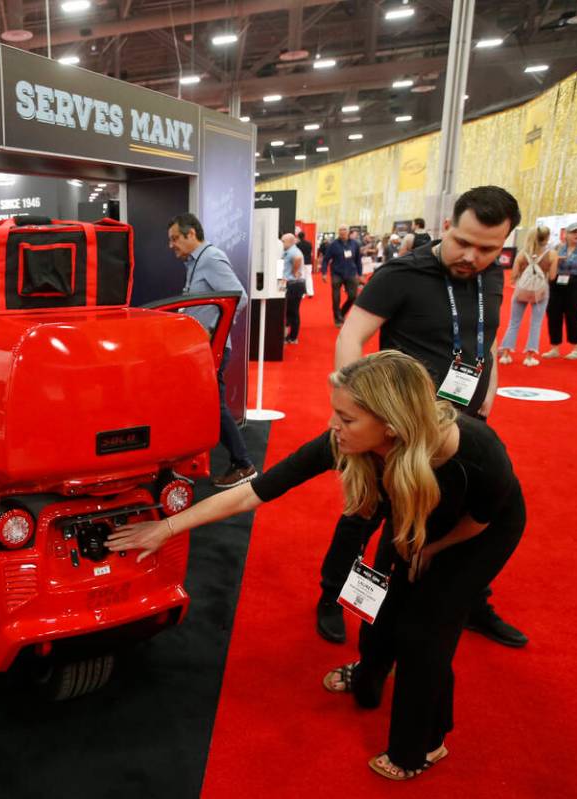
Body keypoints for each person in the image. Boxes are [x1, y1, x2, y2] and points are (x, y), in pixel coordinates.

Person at [107, 351, 526, 781]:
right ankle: (370, 673)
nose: (333, 426)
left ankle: (421, 745)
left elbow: (483, 519)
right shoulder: (353, 443)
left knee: (425, 633)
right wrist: (166, 528)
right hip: (415, 520)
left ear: (390, 424)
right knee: (381, 602)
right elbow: (255, 493)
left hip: (474, 534)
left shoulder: (476, 450)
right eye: (336, 413)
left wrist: (433, 549)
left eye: (346, 418)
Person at [317, 185, 527, 649]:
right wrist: (354, 405)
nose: (471, 256)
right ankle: (332, 595)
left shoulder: (489, 277)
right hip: (394, 430)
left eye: (487, 248)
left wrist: (488, 394)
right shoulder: (401, 274)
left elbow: (486, 342)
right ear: (447, 226)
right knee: (366, 514)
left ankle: (471, 603)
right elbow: (351, 336)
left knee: (453, 519)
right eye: (463, 241)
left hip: (460, 430)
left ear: (504, 243)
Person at [167, 213, 258, 489]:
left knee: (214, 407)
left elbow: (238, 297)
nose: (171, 245)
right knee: (199, 406)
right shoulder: (196, 262)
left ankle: (243, 464)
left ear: (191, 234)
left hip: (211, 350)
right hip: (198, 350)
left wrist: (214, 331)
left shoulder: (210, 258)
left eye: (174, 239)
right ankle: (191, 462)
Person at [498, 225, 557, 367]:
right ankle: (529, 357)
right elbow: (553, 276)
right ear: (547, 237)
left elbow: (513, 276)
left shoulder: (522, 254)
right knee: (536, 323)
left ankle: (506, 354)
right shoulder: (552, 255)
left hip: (521, 290)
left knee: (514, 322)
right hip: (541, 292)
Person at [543, 221, 577, 360]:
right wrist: (556, 260)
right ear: (566, 234)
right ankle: (554, 348)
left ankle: (576, 349)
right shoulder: (558, 247)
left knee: (573, 315)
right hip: (556, 283)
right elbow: (547, 263)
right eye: (574, 232)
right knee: (553, 314)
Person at [321, 225, 362, 327]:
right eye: (340, 230)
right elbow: (326, 259)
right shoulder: (333, 245)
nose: (342, 231)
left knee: (353, 296)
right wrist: (324, 272)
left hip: (351, 273)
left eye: (344, 230)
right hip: (336, 274)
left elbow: (358, 260)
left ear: (348, 232)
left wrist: (360, 274)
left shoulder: (355, 244)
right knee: (336, 298)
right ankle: (337, 319)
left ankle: (341, 313)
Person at [281, 233, 306, 344]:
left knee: (293, 312)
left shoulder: (294, 251)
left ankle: (293, 337)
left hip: (294, 284)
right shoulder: (288, 251)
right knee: (289, 311)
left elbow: (298, 258)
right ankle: (289, 336)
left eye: (283, 241)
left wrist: (294, 272)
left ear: (290, 241)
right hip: (290, 283)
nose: (282, 243)